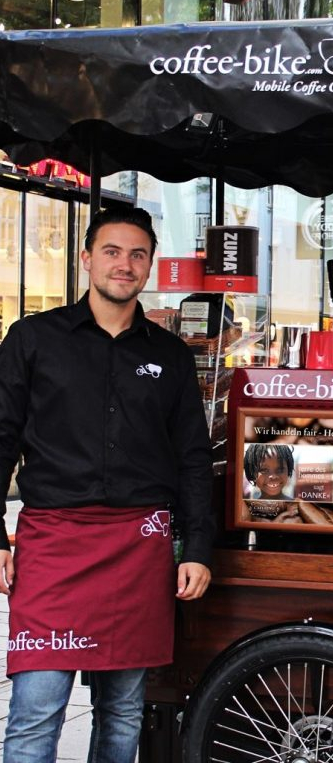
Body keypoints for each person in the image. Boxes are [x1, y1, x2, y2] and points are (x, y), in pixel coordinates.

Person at [0, 206, 214, 763]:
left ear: (149, 266)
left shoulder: (169, 355)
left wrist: (198, 547)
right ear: (87, 258)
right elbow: (0, 438)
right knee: (34, 711)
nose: (125, 264)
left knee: (121, 715)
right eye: (113, 252)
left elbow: (192, 457)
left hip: (138, 546)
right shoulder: (32, 339)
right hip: (53, 541)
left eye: (137, 254)